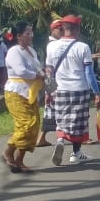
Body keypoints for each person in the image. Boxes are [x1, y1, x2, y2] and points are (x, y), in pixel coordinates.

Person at [45, 15, 100, 165]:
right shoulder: (83, 47)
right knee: (79, 122)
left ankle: (60, 140)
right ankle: (76, 153)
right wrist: (96, 93)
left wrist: (47, 92)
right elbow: (89, 73)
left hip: (59, 90)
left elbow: (49, 72)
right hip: (79, 89)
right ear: (77, 28)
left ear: (63, 28)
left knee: (62, 119)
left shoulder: (51, 46)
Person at [2, 21, 45, 174]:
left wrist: (44, 73)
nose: (31, 36)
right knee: (26, 124)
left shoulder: (31, 51)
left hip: (31, 92)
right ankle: (8, 152)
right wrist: (38, 75)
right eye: (27, 33)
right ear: (18, 36)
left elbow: (38, 67)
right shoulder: (14, 51)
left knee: (34, 126)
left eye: (31, 32)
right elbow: (21, 71)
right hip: (16, 92)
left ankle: (19, 161)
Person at [37, 18, 64, 148]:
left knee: (51, 111)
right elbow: (48, 69)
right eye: (60, 29)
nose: (62, 32)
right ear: (53, 29)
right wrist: (48, 89)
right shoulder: (52, 45)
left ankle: (41, 138)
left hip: (53, 83)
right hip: (55, 82)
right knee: (57, 110)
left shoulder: (53, 44)